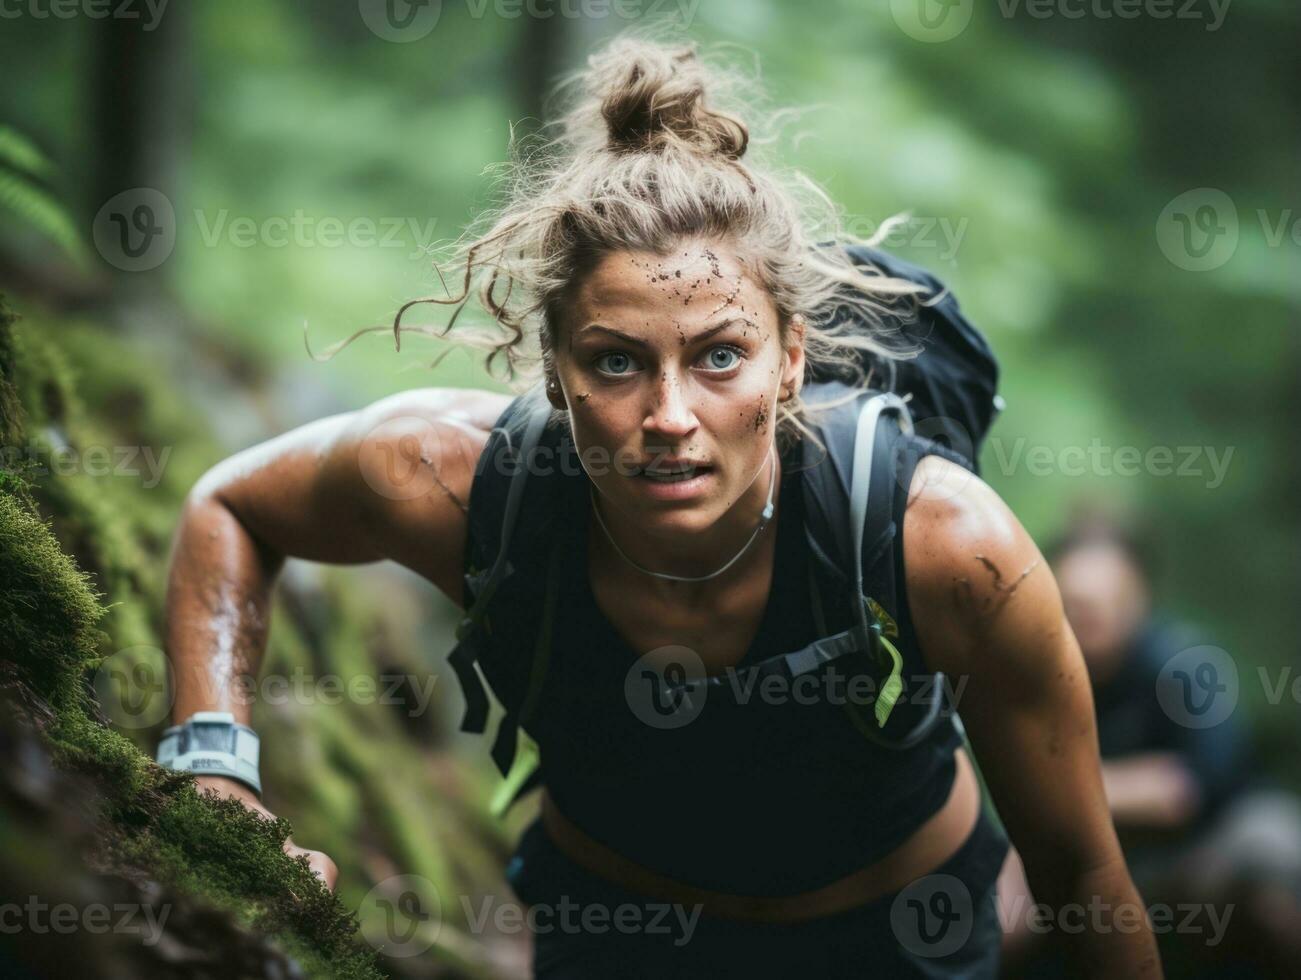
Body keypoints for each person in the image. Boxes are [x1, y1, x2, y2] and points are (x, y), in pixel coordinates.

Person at [161, 32, 1161, 978]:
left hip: (898, 938)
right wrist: (215, 769)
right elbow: (231, 508)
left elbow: (1082, 876)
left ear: (790, 361)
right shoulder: (458, 481)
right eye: (615, 361)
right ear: (554, 371)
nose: (669, 415)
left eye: (719, 355)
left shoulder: (943, 546)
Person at [998, 512, 1301, 978]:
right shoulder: (1048, 681)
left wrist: (1059, 786)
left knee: (1274, 850)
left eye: (1102, 602)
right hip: (1114, 863)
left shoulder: (1181, 662)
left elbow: (1183, 791)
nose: (1088, 619)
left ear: (1137, 595)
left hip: (1216, 841)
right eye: (1074, 604)